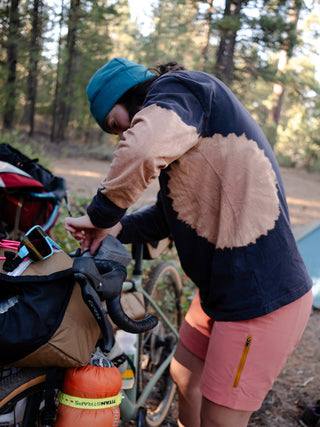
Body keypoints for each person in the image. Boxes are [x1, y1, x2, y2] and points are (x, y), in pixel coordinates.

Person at [64, 57, 313, 427]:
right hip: (218, 291)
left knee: (220, 419)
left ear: (130, 96)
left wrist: (102, 214)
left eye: (116, 124)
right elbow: (168, 215)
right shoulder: (186, 138)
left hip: (260, 297)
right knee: (184, 376)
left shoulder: (183, 89)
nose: (120, 136)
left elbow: (142, 149)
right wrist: (114, 229)